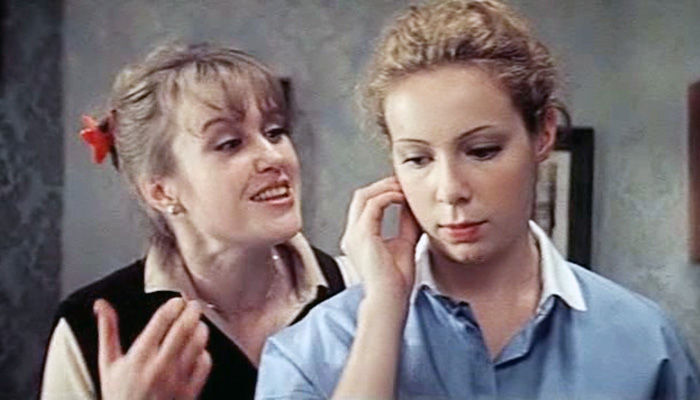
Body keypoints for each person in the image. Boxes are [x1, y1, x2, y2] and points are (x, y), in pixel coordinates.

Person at [255, 0, 700, 398]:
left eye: (482, 151)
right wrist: (383, 311)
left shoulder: (647, 345)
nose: (450, 189)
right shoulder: (312, 353)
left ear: (543, 134)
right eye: (418, 158)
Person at [39, 43, 350, 400]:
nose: (273, 156)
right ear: (161, 192)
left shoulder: (359, 288)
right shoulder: (90, 327)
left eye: (274, 132)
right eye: (230, 143)